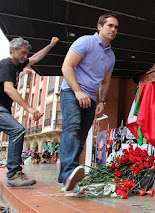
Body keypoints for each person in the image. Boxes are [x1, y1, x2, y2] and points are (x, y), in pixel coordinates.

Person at [0, 36, 59, 187]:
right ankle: (13, 174)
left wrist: (50, 45)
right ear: (13, 50)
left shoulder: (17, 65)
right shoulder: (7, 64)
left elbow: (35, 58)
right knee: (17, 130)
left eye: (26, 54)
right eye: (23, 53)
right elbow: (8, 88)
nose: (25, 57)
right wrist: (29, 108)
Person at [57, 13, 118, 191]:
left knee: (81, 136)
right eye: (110, 25)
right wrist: (77, 91)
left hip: (91, 98)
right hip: (71, 91)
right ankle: (69, 172)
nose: (113, 29)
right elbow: (66, 66)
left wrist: (102, 101)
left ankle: (66, 178)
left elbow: (106, 82)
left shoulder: (111, 56)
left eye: (116, 27)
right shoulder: (85, 42)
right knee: (73, 126)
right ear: (100, 27)